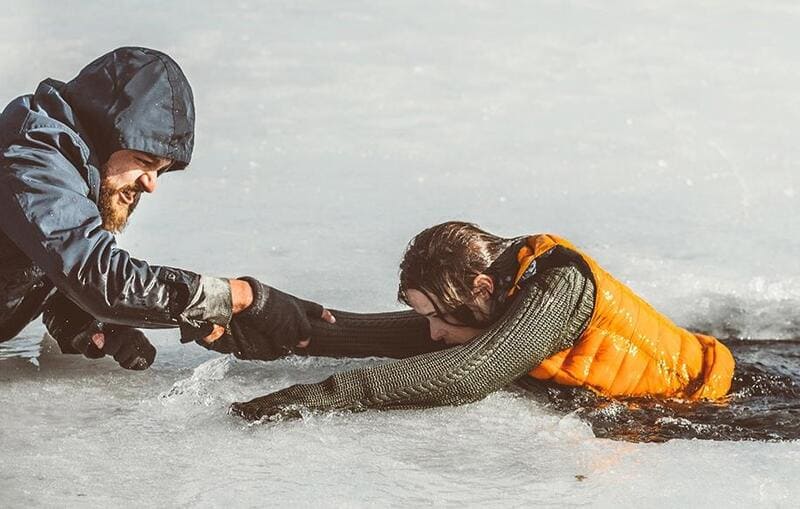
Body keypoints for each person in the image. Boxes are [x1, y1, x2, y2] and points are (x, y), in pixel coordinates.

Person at [0, 47, 331, 370]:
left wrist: (80, 319)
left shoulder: (68, 169)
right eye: (144, 161)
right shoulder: (34, 156)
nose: (151, 184)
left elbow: (50, 261)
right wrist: (237, 298)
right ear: (104, 134)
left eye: (160, 170)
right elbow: (101, 278)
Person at [230, 221, 736, 421]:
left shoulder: (560, 290)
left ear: (482, 288)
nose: (432, 332)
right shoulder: (491, 300)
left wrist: (317, 395)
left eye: (437, 315)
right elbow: (378, 332)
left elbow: (467, 372)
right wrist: (263, 314)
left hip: (717, 400)